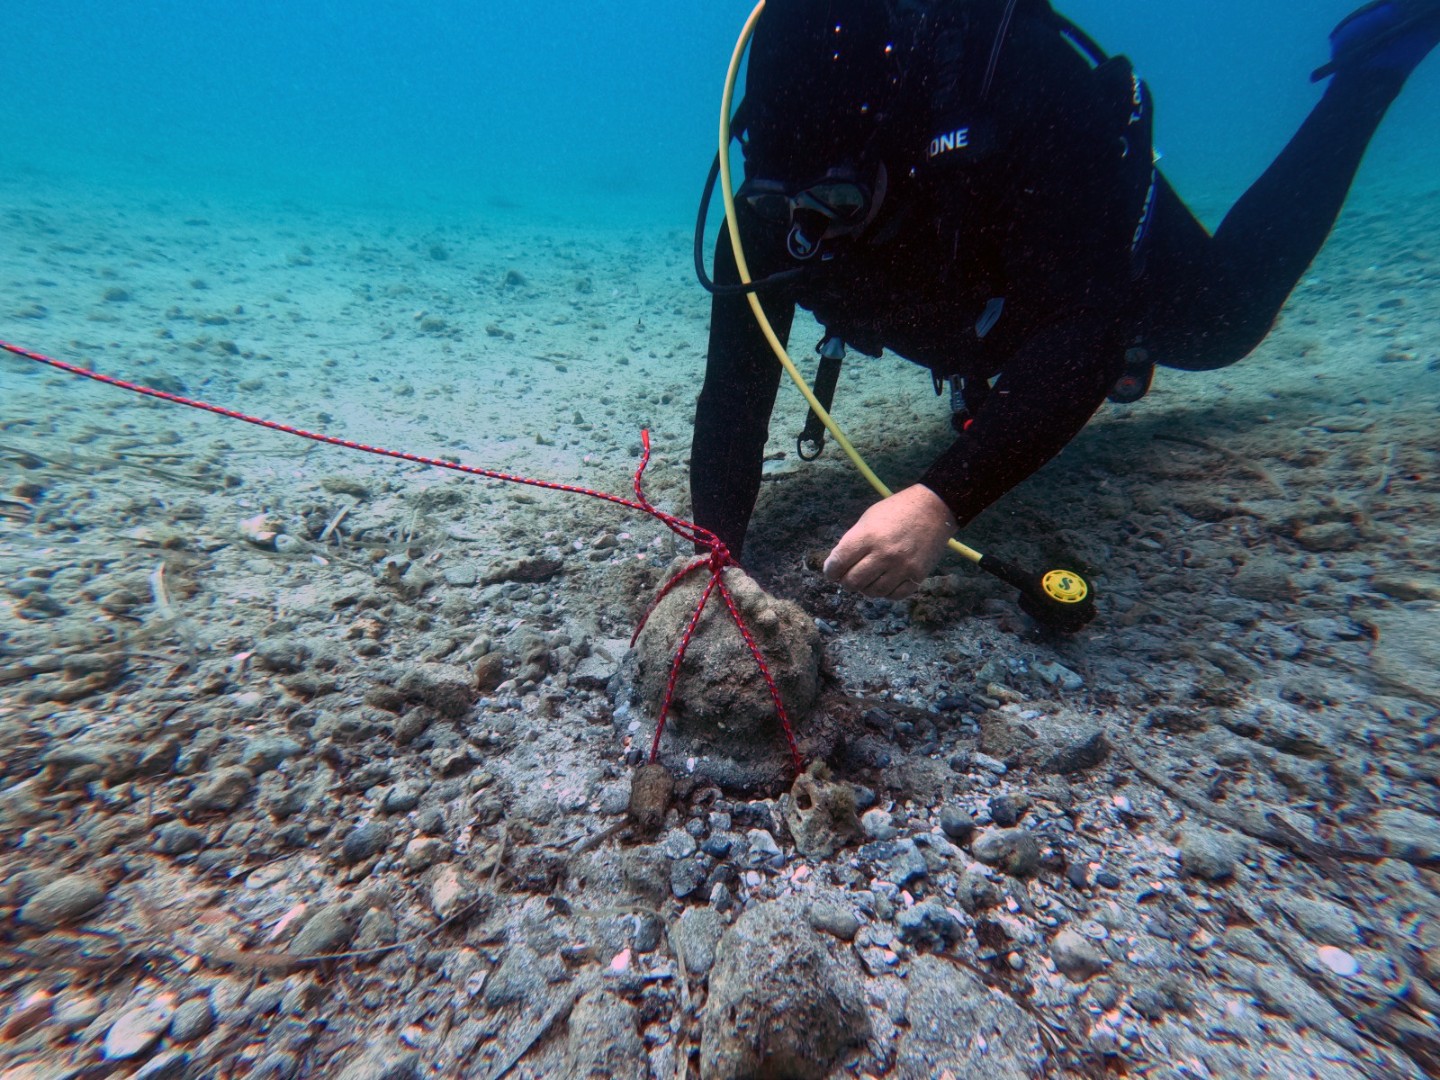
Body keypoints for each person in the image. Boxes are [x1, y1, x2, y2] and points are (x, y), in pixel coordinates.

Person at [689, 0, 1440, 601]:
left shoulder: (1027, 99)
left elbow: (1087, 334)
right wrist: (713, 550)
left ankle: (1367, 72)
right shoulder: (776, 206)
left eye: (835, 201)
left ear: (897, 159)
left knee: (1222, 326)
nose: (805, 234)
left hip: (1083, 250)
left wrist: (941, 501)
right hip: (971, 308)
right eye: (776, 204)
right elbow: (735, 386)